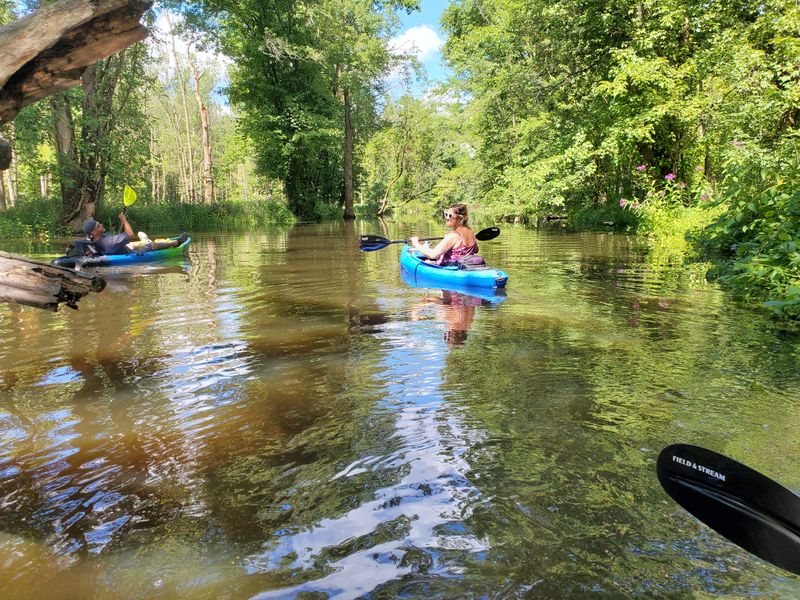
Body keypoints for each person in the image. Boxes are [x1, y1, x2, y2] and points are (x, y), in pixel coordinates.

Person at [82, 213, 187, 255]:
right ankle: (176, 242)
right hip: (128, 253)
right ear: (94, 232)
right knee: (152, 245)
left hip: (122, 248)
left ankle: (144, 240)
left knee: (131, 244)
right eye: (98, 225)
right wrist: (124, 221)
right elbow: (130, 234)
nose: (101, 224)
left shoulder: (92, 241)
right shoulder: (109, 241)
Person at [410, 203, 478, 265]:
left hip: (451, 267)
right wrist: (451, 243)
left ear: (460, 218)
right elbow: (475, 250)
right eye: (446, 214)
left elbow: (432, 255)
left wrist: (415, 243)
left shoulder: (453, 236)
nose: (447, 217)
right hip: (464, 266)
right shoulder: (470, 232)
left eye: (450, 215)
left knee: (427, 261)